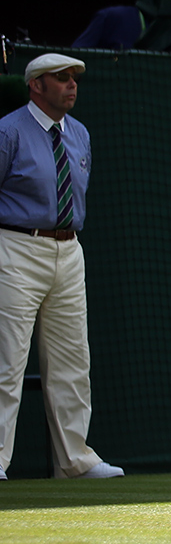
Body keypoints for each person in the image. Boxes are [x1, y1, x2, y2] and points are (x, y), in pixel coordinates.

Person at [0, 54, 125, 482]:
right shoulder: (8, 131)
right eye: (61, 79)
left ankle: (75, 462)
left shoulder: (80, 134)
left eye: (74, 79)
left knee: (73, 360)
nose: (72, 86)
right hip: (16, 247)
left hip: (70, 251)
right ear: (37, 85)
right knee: (7, 359)